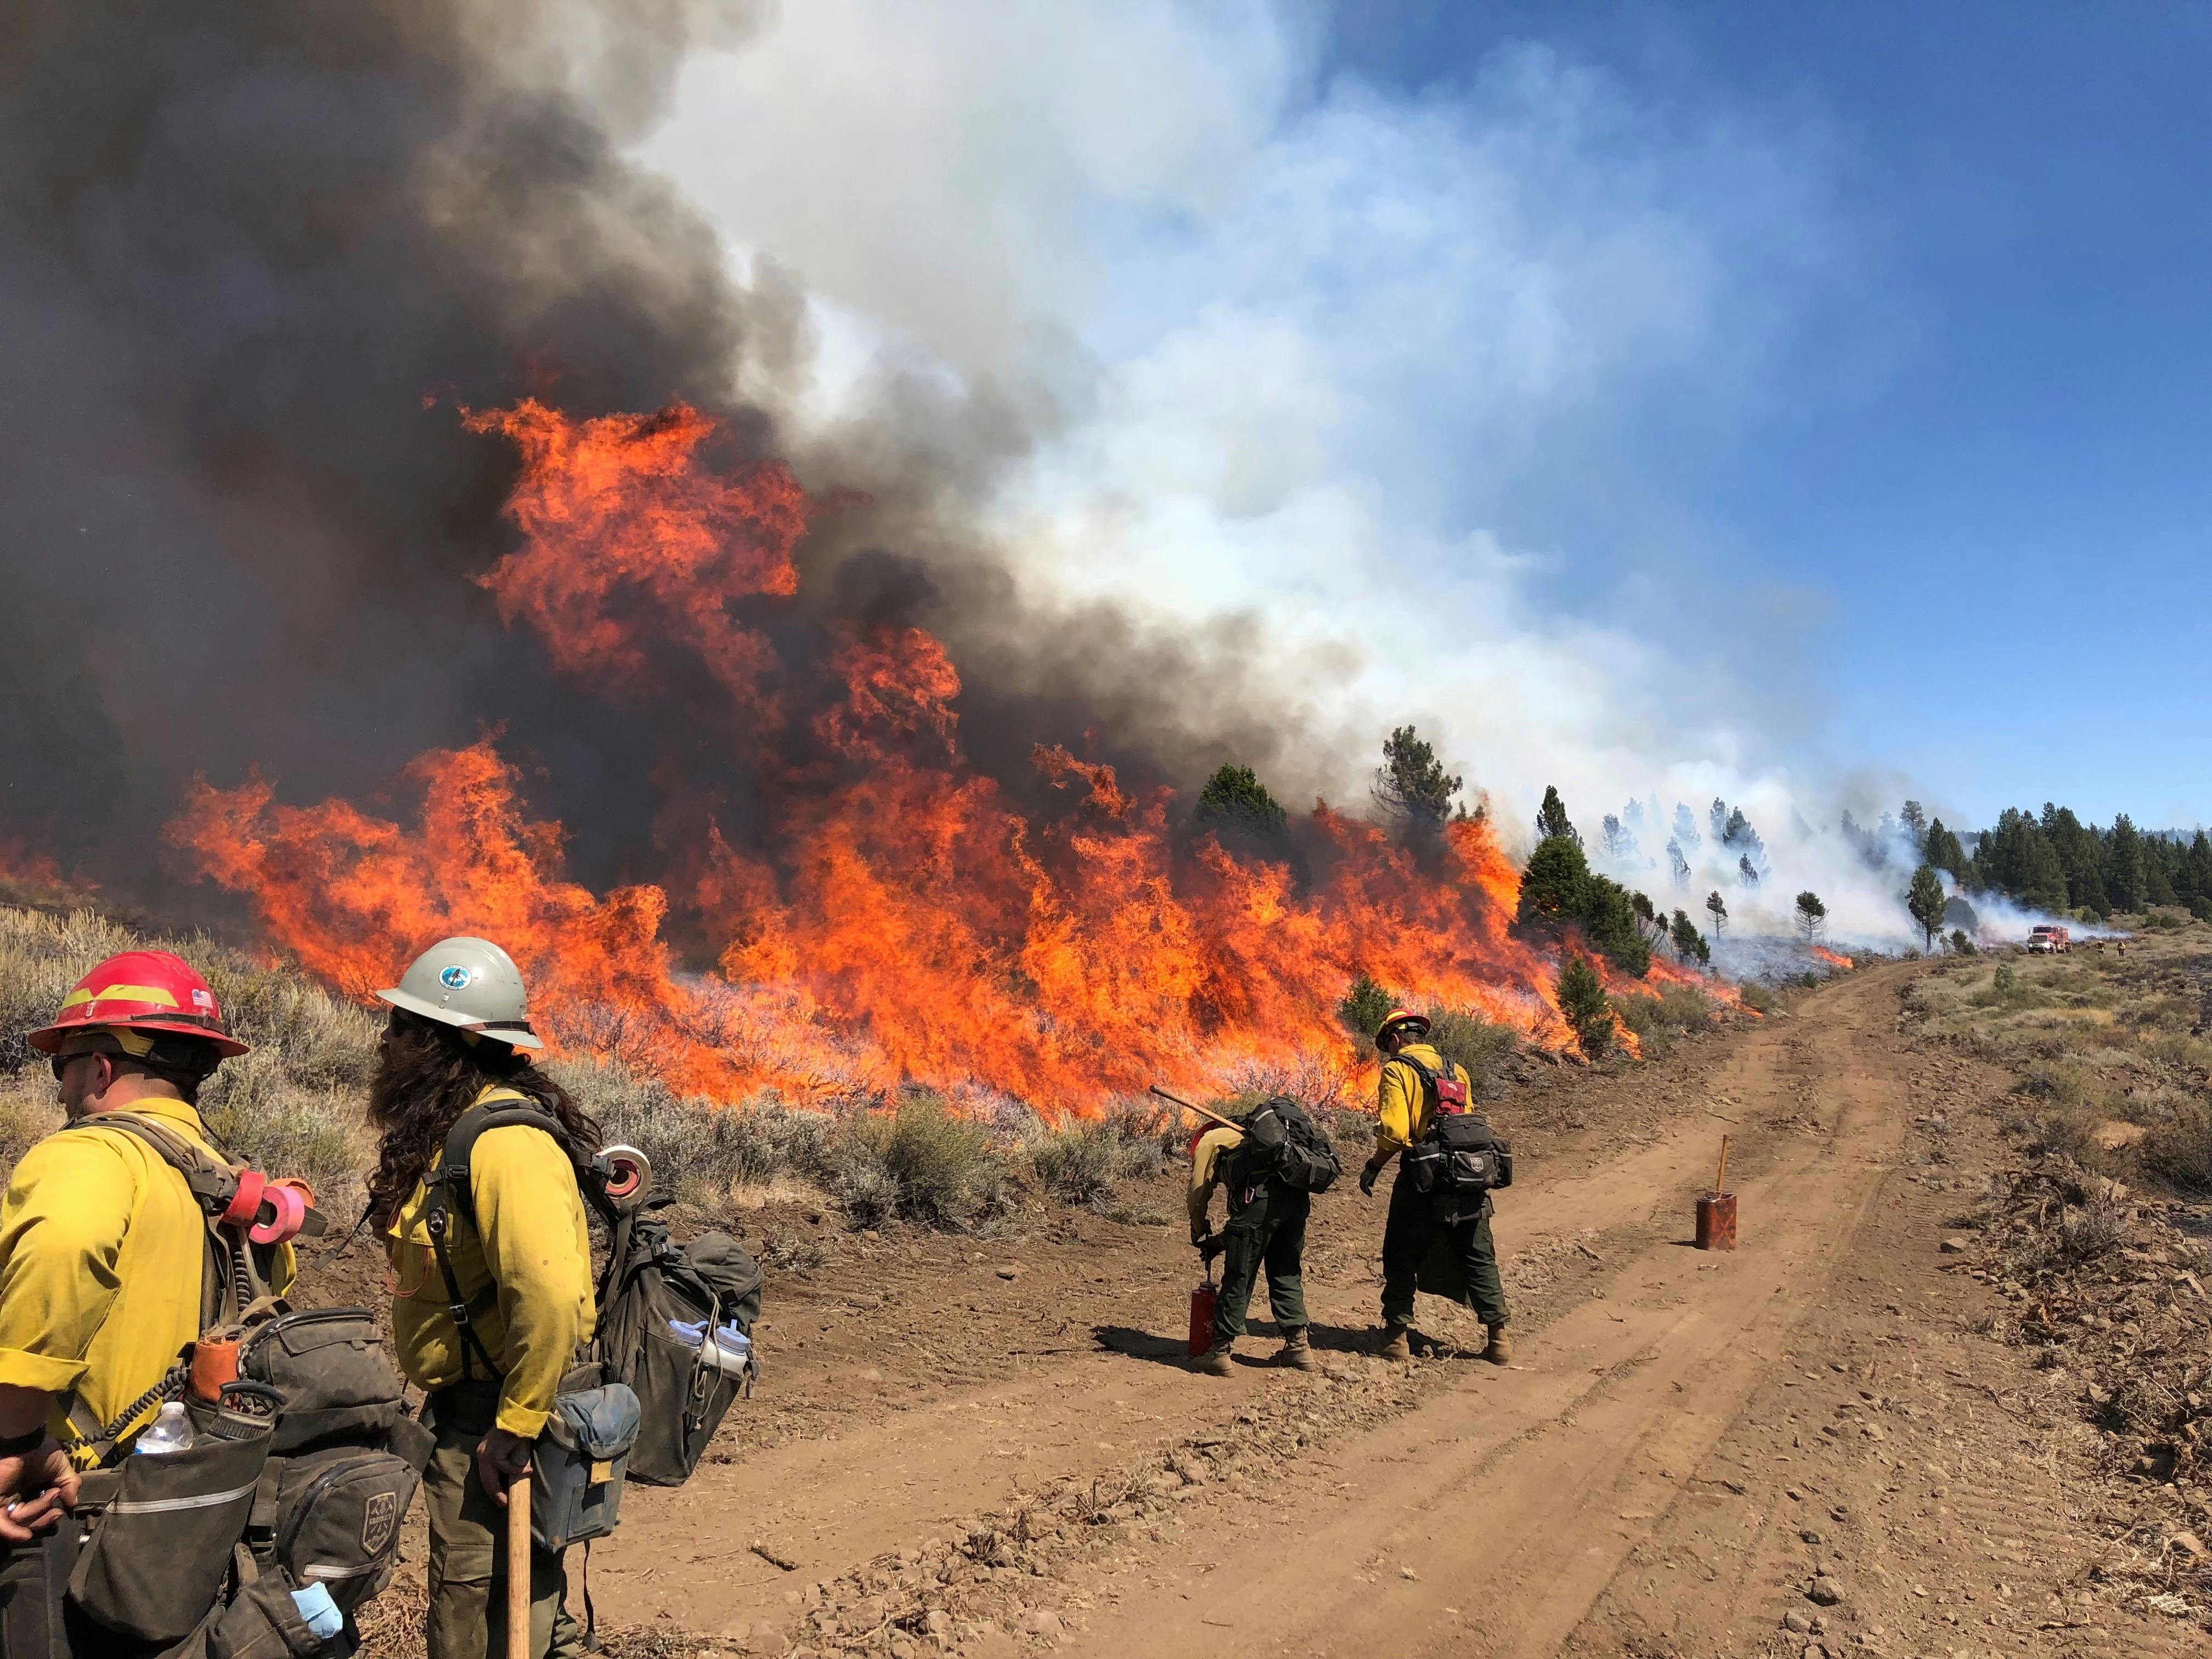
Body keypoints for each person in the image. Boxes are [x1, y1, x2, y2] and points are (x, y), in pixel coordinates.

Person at [0, 950, 267, 1656]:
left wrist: (14, 1440)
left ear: (100, 1067)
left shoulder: (90, 1156)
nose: (61, 1088)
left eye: (63, 1065)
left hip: (64, 1511)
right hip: (182, 1521)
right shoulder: (233, 1189)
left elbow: (62, 1247)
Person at [369, 938, 600, 1659]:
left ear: (450, 1043)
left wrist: (516, 1427)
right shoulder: (457, 1134)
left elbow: (555, 1299)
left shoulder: (505, 1146)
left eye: (406, 1029)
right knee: (505, 1605)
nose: (388, 1043)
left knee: (480, 1619)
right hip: (472, 1418)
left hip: (496, 1427)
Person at [1356, 1009, 1511, 1364]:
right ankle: (1499, 1337)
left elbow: (1394, 1133)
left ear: (1395, 1040)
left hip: (1422, 1178)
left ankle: (1396, 1336)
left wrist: (1374, 1166)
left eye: (1388, 1046)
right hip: (1467, 1175)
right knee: (1478, 1253)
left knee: (1400, 1254)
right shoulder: (1457, 1070)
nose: (1389, 1053)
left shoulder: (1398, 1070)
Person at [1187, 1104, 1316, 1376]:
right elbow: (1256, 1228)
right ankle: (1299, 1347)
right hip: (1296, 1203)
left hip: (1259, 1199)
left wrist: (1198, 1229)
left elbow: (1198, 1191)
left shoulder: (1211, 1141)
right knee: (1286, 1273)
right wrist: (1223, 1241)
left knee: (1239, 1276)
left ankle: (1219, 1353)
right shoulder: (1265, 1140)